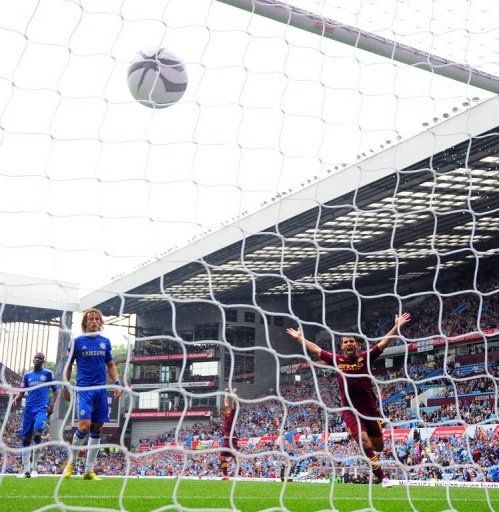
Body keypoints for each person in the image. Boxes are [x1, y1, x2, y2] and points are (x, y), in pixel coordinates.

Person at [287, 312, 411, 487]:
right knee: (364, 440)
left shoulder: (365, 357)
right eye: (346, 342)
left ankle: (372, 454)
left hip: (370, 410)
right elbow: (316, 349)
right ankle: (383, 478)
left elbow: (383, 343)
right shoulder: (337, 360)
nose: (349, 343)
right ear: (342, 346)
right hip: (350, 410)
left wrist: (397, 327)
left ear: (356, 344)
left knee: (379, 447)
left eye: (352, 341)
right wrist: (300, 339)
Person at [62, 308, 121, 480]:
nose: (94, 321)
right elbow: (68, 366)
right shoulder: (77, 342)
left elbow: (110, 365)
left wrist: (117, 382)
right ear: (85, 322)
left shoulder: (105, 342)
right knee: (84, 426)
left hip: (101, 390)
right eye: (91, 319)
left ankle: (89, 470)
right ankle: (71, 463)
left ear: (100, 322)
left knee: (97, 428)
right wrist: (65, 387)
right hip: (84, 389)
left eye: (97, 319)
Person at [13, 352, 58, 478]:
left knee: (37, 434)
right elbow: (22, 391)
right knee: (26, 438)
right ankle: (26, 470)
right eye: (36, 357)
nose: (37, 359)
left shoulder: (48, 374)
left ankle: (34, 468)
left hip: (41, 408)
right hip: (28, 409)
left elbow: (56, 391)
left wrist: (51, 405)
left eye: (40, 358)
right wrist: (16, 398)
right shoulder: (27, 375)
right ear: (33, 360)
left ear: (43, 361)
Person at [219, 387, 238, 480]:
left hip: (232, 439)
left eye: (228, 409)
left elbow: (234, 404)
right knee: (222, 457)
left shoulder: (232, 414)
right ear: (224, 413)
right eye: (227, 410)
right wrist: (226, 392)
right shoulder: (226, 416)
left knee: (235, 456)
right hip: (226, 440)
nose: (228, 409)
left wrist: (234, 394)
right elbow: (226, 401)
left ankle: (239, 471)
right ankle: (225, 475)